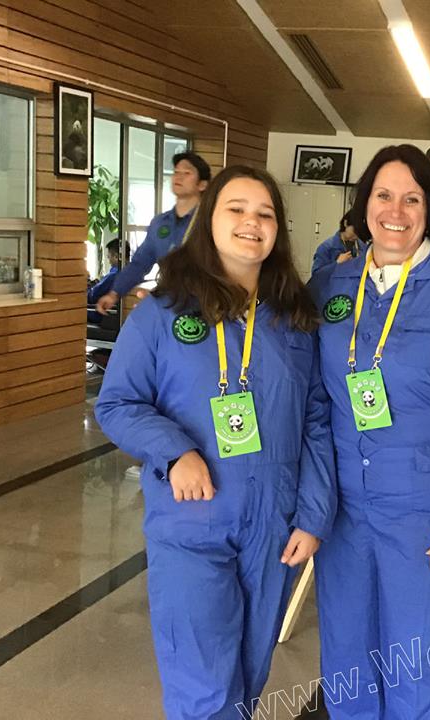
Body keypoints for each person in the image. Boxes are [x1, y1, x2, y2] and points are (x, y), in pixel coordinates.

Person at [94, 165, 336, 719]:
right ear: (210, 220)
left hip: (274, 530)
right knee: (204, 688)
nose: (251, 223)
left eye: (265, 213)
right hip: (192, 523)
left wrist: (314, 515)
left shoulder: (294, 321)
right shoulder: (163, 314)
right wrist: (175, 451)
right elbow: (116, 404)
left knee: (248, 682)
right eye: (237, 209)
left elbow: (317, 420)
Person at [309, 144, 430, 719]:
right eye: (384, 195)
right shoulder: (331, 288)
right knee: (347, 666)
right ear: (364, 205)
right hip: (345, 512)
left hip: (427, 517)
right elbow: (314, 406)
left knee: (417, 670)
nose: (396, 210)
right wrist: (313, 506)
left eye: (412, 198)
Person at [95, 151, 211, 315]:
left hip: (203, 305)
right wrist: (115, 293)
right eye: (176, 172)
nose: (179, 177)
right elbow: (140, 263)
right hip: (168, 302)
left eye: (187, 173)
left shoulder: (210, 222)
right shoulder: (160, 223)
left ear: (202, 184)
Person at [86, 238, 128, 324]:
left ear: (116, 256)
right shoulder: (130, 273)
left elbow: (91, 297)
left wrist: (85, 286)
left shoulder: (113, 275)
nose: (109, 261)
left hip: (98, 313)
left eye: (109, 257)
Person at [311, 210, 366, 275]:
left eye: (359, 233)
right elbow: (316, 275)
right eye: (355, 231)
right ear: (346, 223)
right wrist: (337, 263)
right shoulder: (327, 248)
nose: (356, 236)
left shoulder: (362, 247)